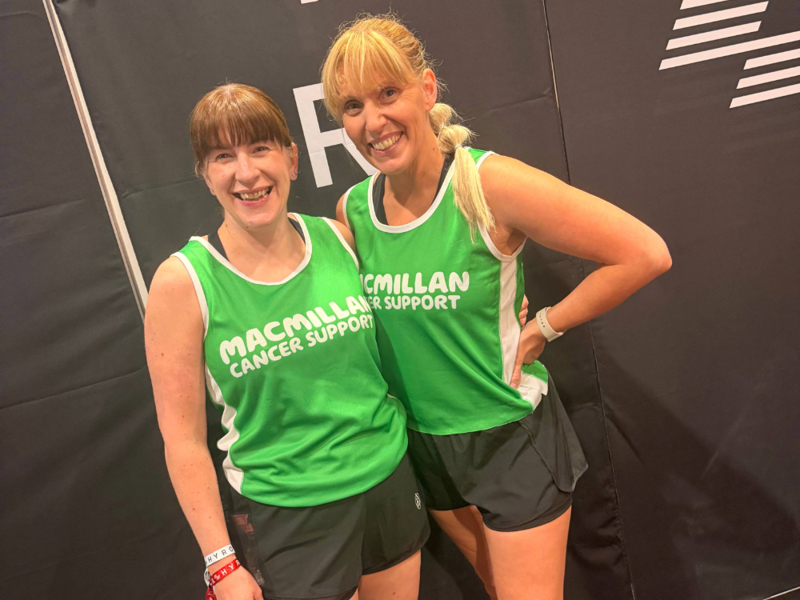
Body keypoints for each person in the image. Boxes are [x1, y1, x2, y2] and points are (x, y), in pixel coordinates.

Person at [321, 15, 672, 600]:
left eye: (388, 93)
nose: (373, 122)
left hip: (508, 438)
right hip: (424, 444)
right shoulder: (354, 210)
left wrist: (543, 328)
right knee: (491, 586)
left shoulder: (488, 184)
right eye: (353, 106)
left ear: (426, 89)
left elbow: (644, 254)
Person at [144, 83, 429, 600]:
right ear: (206, 175)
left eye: (260, 148)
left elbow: (411, 308)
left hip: (387, 480)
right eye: (223, 156)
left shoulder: (338, 238)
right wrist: (220, 562)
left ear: (292, 159)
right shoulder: (183, 282)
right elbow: (183, 441)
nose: (246, 172)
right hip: (289, 513)